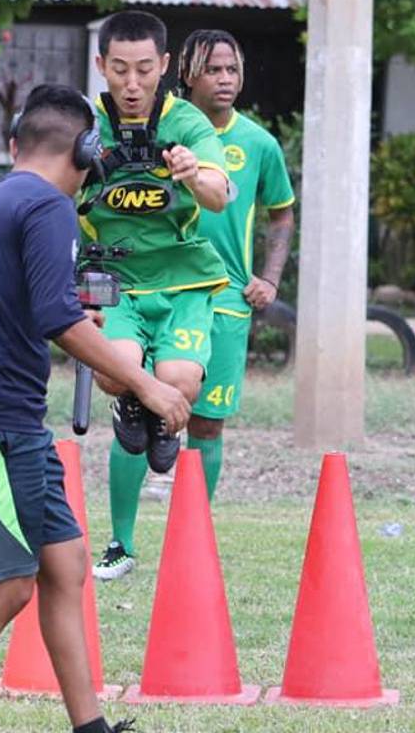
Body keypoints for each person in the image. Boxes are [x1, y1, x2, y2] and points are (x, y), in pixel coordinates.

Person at [0, 84, 186, 733]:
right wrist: (146, 384)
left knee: (64, 562)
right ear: (84, 151)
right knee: (4, 589)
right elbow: (59, 319)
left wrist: (67, 315)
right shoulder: (48, 206)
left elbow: (10, 304)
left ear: (15, 144)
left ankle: (91, 727)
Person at [85, 10, 231, 582]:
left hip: (182, 280)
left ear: (165, 66)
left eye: (144, 69)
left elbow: (218, 194)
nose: (132, 83)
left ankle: (150, 415)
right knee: (117, 372)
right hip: (111, 277)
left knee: (179, 384)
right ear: (101, 65)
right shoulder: (85, 122)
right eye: (119, 69)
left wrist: (193, 173)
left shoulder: (187, 121)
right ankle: (119, 543)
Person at [179, 29, 296, 493]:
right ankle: (121, 531)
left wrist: (269, 278)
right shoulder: (163, 131)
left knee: (207, 424)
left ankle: (196, 528)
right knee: (144, 415)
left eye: (232, 70)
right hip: (161, 291)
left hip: (227, 300)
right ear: (188, 74)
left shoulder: (259, 144)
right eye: (213, 70)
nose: (225, 79)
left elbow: (282, 214)